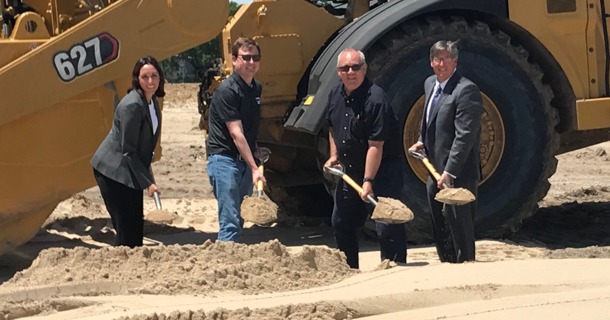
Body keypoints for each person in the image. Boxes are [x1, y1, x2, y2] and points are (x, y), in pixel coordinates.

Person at [324, 48, 406, 269]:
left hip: (382, 171)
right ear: (338, 71)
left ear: (364, 69)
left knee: (387, 223)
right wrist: (334, 156)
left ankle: (393, 269)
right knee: (341, 222)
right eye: (345, 68)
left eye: (355, 67)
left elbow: (376, 146)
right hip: (350, 170)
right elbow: (332, 127)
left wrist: (368, 181)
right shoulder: (335, 95)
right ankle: (349, 269)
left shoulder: (376, 99)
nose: (351, 72)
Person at [409, 40, 483, 263]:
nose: (442, 64)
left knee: (460, 227)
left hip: (457, 174)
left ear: (455, 62)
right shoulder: (430, 83)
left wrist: (450, 173)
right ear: (431, 62)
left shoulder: (466, 90)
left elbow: (464, 137)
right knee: (440, 227)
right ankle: (447, 265)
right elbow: (430, 120)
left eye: (447, 59)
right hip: (433, 170)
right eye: (437, 59)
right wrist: (422, 141)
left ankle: (466, 268)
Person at [91, 56, 165, 248]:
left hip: (130, 169)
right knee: (126, 230)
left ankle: (134, 269)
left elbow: (144, 148)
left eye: (154, 76)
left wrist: (148, 177)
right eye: (145, 77)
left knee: (135, 227)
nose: (150, 81)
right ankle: (120, 273)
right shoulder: (132, 106)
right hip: (112, 171)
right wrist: (148, 184)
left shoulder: (151, 101)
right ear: (137, 79)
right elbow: (129, 151)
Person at [206, 37, 266, 242]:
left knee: (239, 218)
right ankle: (223, 262)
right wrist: (255, 168)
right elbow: (236, 133)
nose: (251, 62)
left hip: (242, 161)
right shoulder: (227, 91)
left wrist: (255, 150)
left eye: (255, 58)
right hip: (224, 160)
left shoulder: (256, 88)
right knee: (230, 219)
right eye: (246, 58)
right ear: (234, 60)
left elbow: (250, 126)